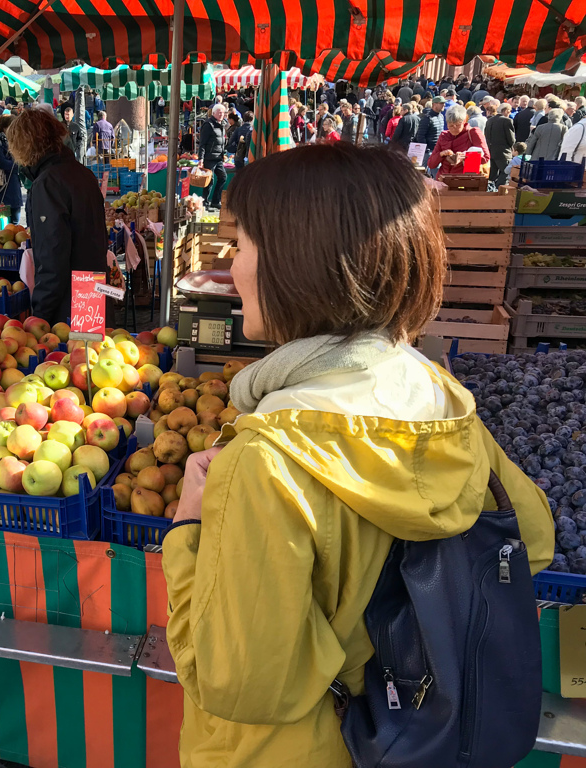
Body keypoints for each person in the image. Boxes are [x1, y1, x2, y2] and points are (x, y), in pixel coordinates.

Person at [162, 141, 554, 768]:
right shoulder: (437, 393)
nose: (232, 268)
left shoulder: (265, 461)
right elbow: (531, 538)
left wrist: (186, 530)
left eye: (246, 246)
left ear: (301, 266)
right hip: (412, 735)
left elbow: (242, 684)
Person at [6, 108, 107, 325]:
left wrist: (40, 315)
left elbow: (52, 258)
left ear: (23, 146)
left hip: (66, 307)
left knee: (72, 358)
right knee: (92, 355)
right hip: (91, 293)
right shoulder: (83, 173)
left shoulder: (48, 184)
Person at [429, 105, 490, 176]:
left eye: (457, 125)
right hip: (444, 180)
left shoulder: (473, 132)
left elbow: (485, 157)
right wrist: (441, 154)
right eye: (450, 125)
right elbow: (431, 164)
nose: (454, 128)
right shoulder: (444, 135)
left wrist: (464, 156)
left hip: (465, 179)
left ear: (464, 121)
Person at [0, 114, 22, 224]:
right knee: (2, 221)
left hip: (14, 183)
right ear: (5, 127)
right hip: (1, 184)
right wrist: (17, 164)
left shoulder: (15, 141)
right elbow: (1, 162)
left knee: (15, 220)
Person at [199, 103, 229, 210]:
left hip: (218, 158)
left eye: (223, 113)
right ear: (214, 113)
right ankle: (205, 203)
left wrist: (223, 153)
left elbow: (221, 141)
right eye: (219, 112)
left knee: (223, 177)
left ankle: (215, 201)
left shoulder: (222, 124)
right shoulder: (208, 125)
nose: (221, 115)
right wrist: (201, 158)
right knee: (209, 181)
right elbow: (202, 143)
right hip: (209, 157)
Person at [485, 103, 516, 187]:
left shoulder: (489, 120)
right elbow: (511, 139)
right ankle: (499, 187)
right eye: (509, 112)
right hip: (503, 152)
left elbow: (487, 135)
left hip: (491, 150)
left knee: (492, 174)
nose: (509, 114)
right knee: (506, 171)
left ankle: (490, 188)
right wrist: (512, 147)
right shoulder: (507, 121)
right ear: (505, 111)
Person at [414, 95, 447, 166]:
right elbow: (420, 135)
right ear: (434, 104)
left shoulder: (441, 116)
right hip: (429, 151)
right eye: (441, 103)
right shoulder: (427, 118)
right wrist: (426, 149)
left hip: (438, 150)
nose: (444, 105)